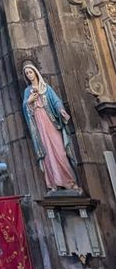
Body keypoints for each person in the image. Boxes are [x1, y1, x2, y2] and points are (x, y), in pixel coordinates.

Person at [21, 62, 81, 192]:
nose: (29, 75)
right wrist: (29, 100)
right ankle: (54, 182)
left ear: (35, 72)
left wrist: (61, 110)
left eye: (30, 72)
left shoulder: (46, 88)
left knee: (60, 151)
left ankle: (69, 181)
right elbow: (25, 108)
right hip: (39, 125)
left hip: (51, 122)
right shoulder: (27, 91)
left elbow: (56, 101)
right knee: (47, 153)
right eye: (27, 74)